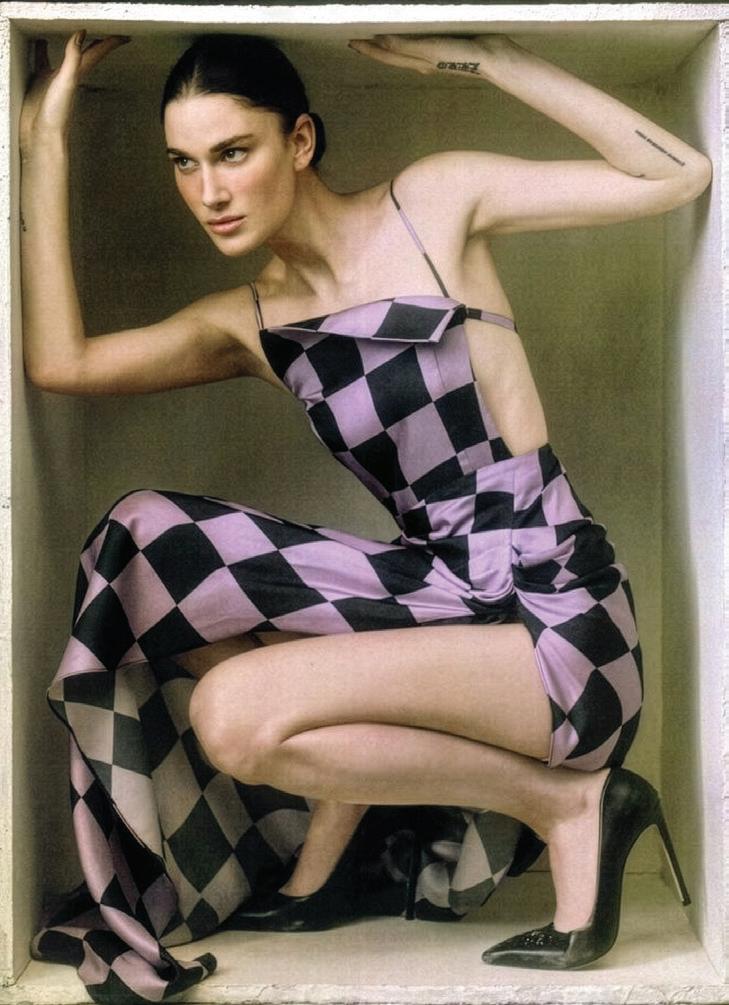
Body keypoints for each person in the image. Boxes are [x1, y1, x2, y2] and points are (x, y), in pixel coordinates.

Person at [21, 27, 709, 1003]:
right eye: (184, 162)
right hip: (437, 597)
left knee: (231, 714)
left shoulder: (432, 204)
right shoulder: (254, 321)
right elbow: (62, 363)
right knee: (146, 538)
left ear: (300, 140)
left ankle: (571, 803)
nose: (209, 190)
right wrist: (41, 141)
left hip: (556, 620)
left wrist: (490, 59)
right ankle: (333, 850)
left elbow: (675, 173)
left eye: (233, 152)